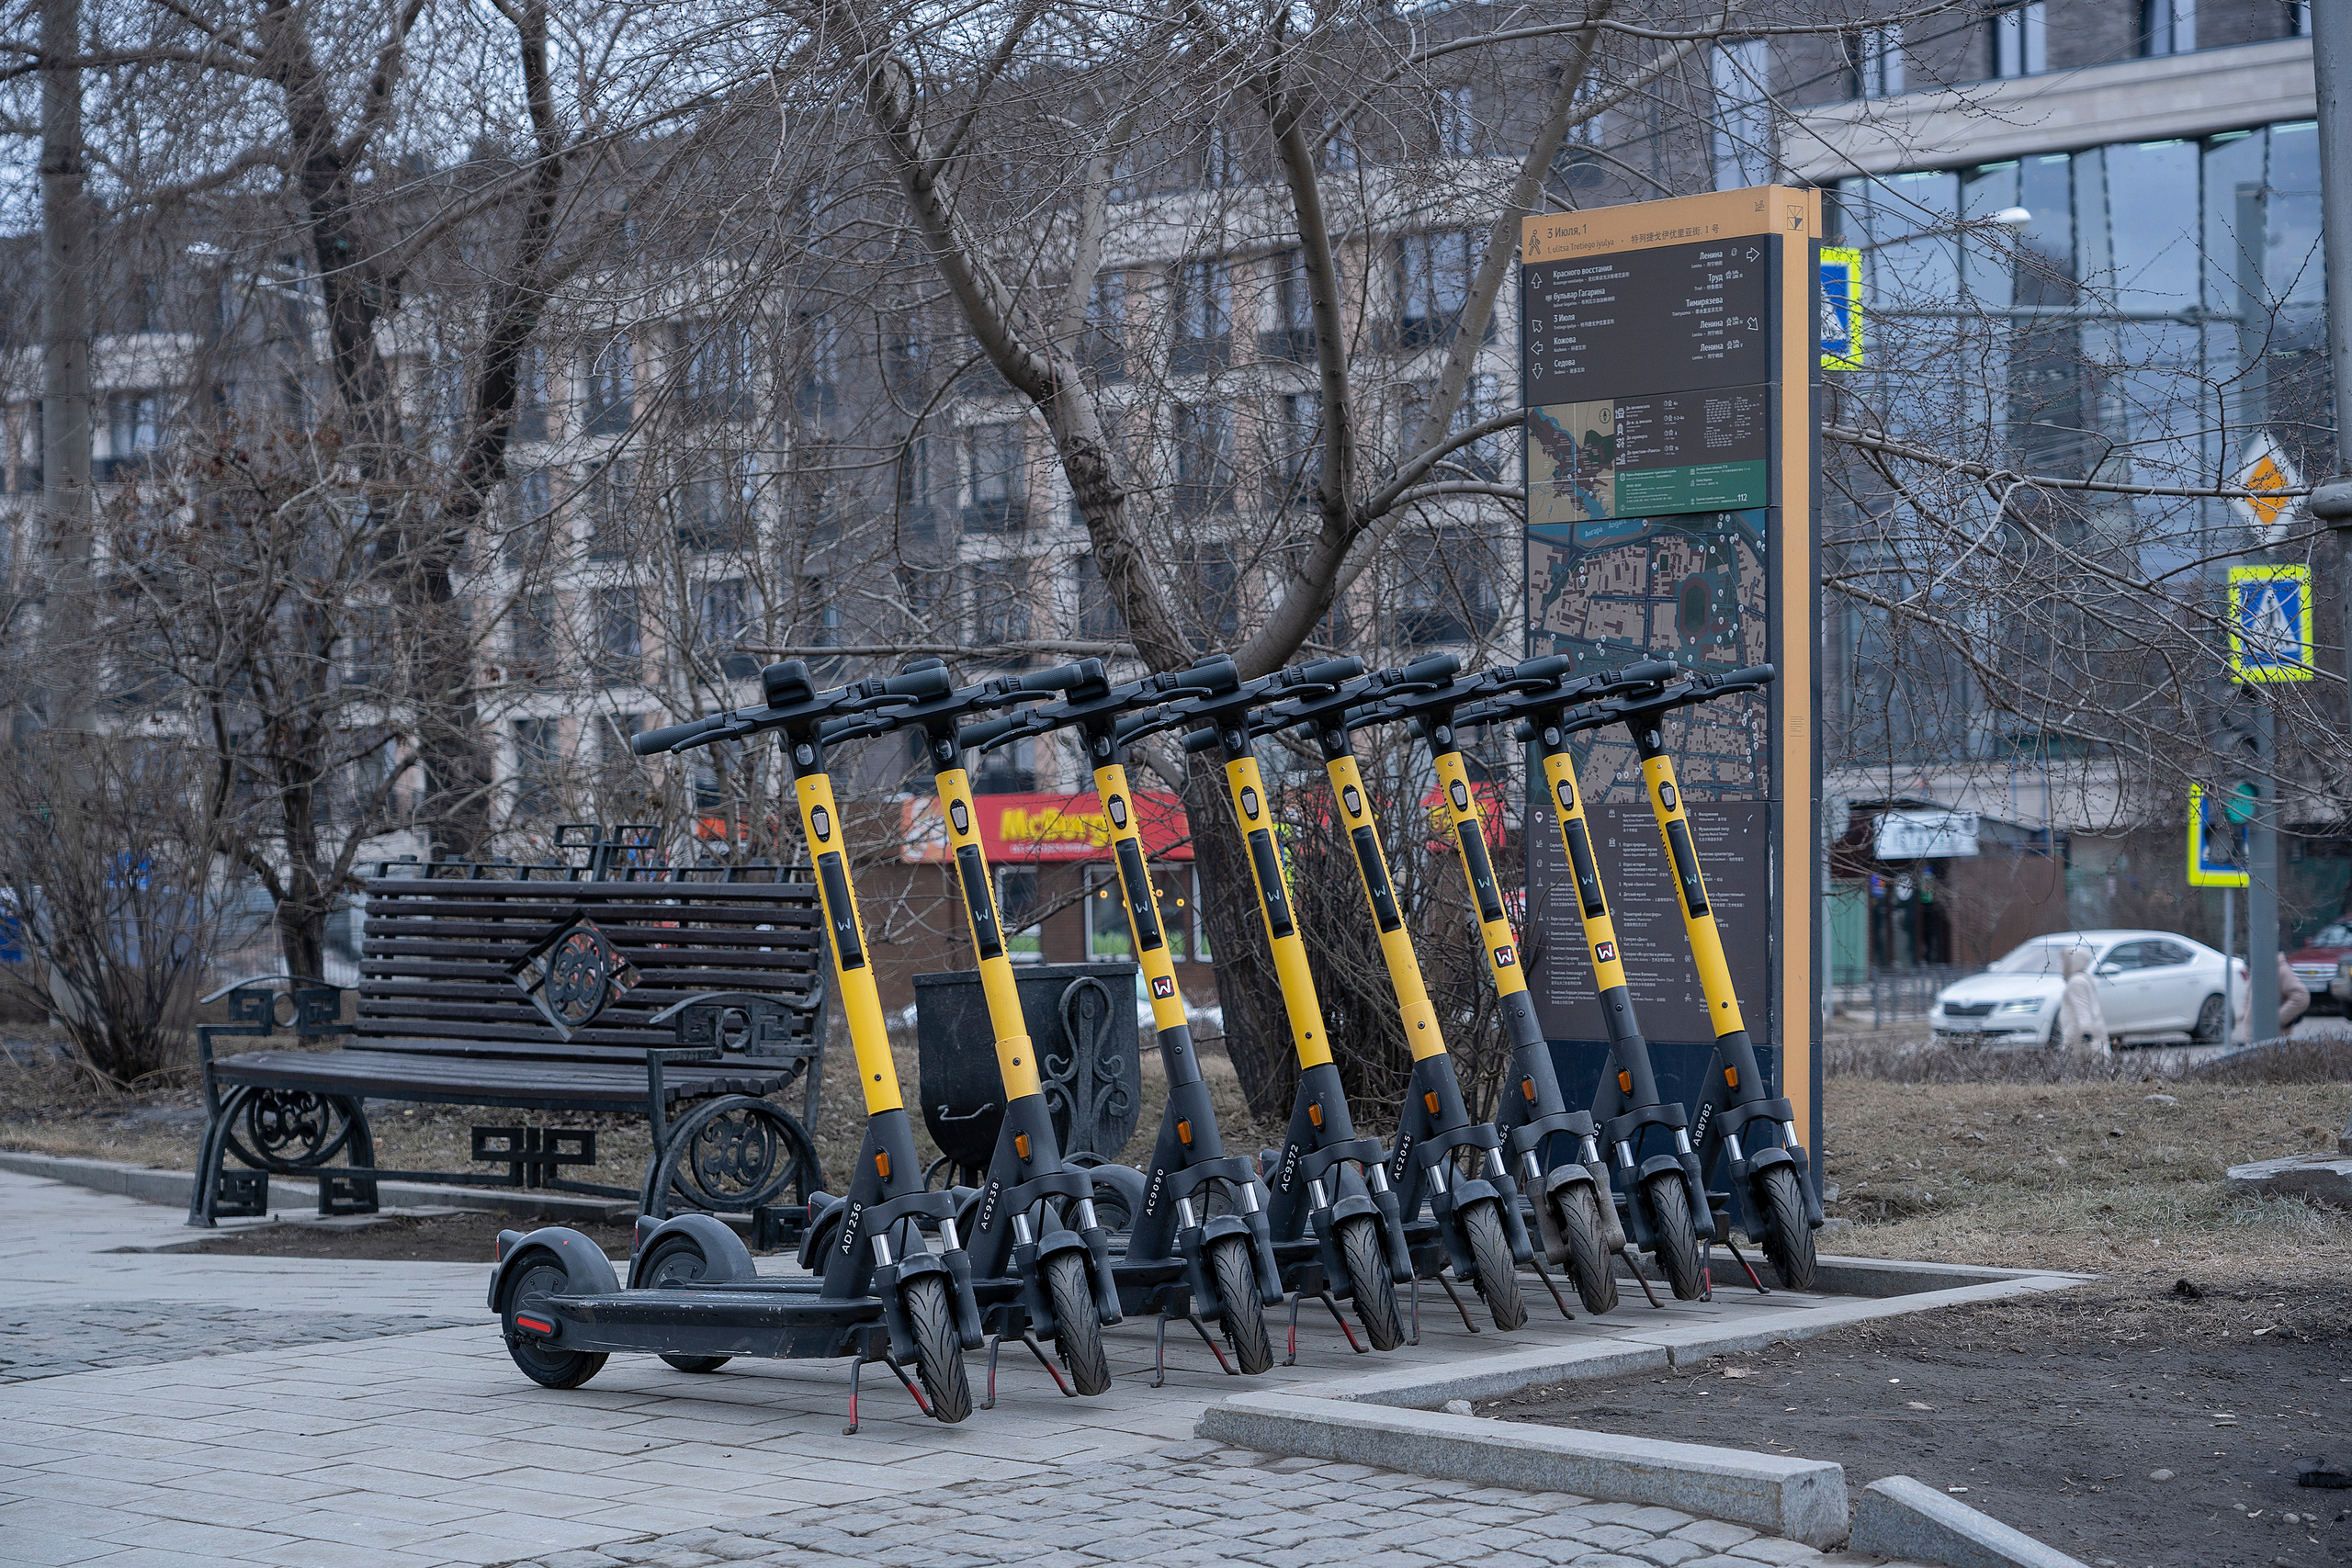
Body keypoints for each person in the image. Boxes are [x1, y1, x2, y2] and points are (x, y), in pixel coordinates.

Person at [2055, 947, 2109, 1060]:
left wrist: (2086, 1031)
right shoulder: (2085, 978)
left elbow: (2082, 1008)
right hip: (2092, 1029)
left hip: (2079, 1032)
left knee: (2081, 1066)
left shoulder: (2076, 983)